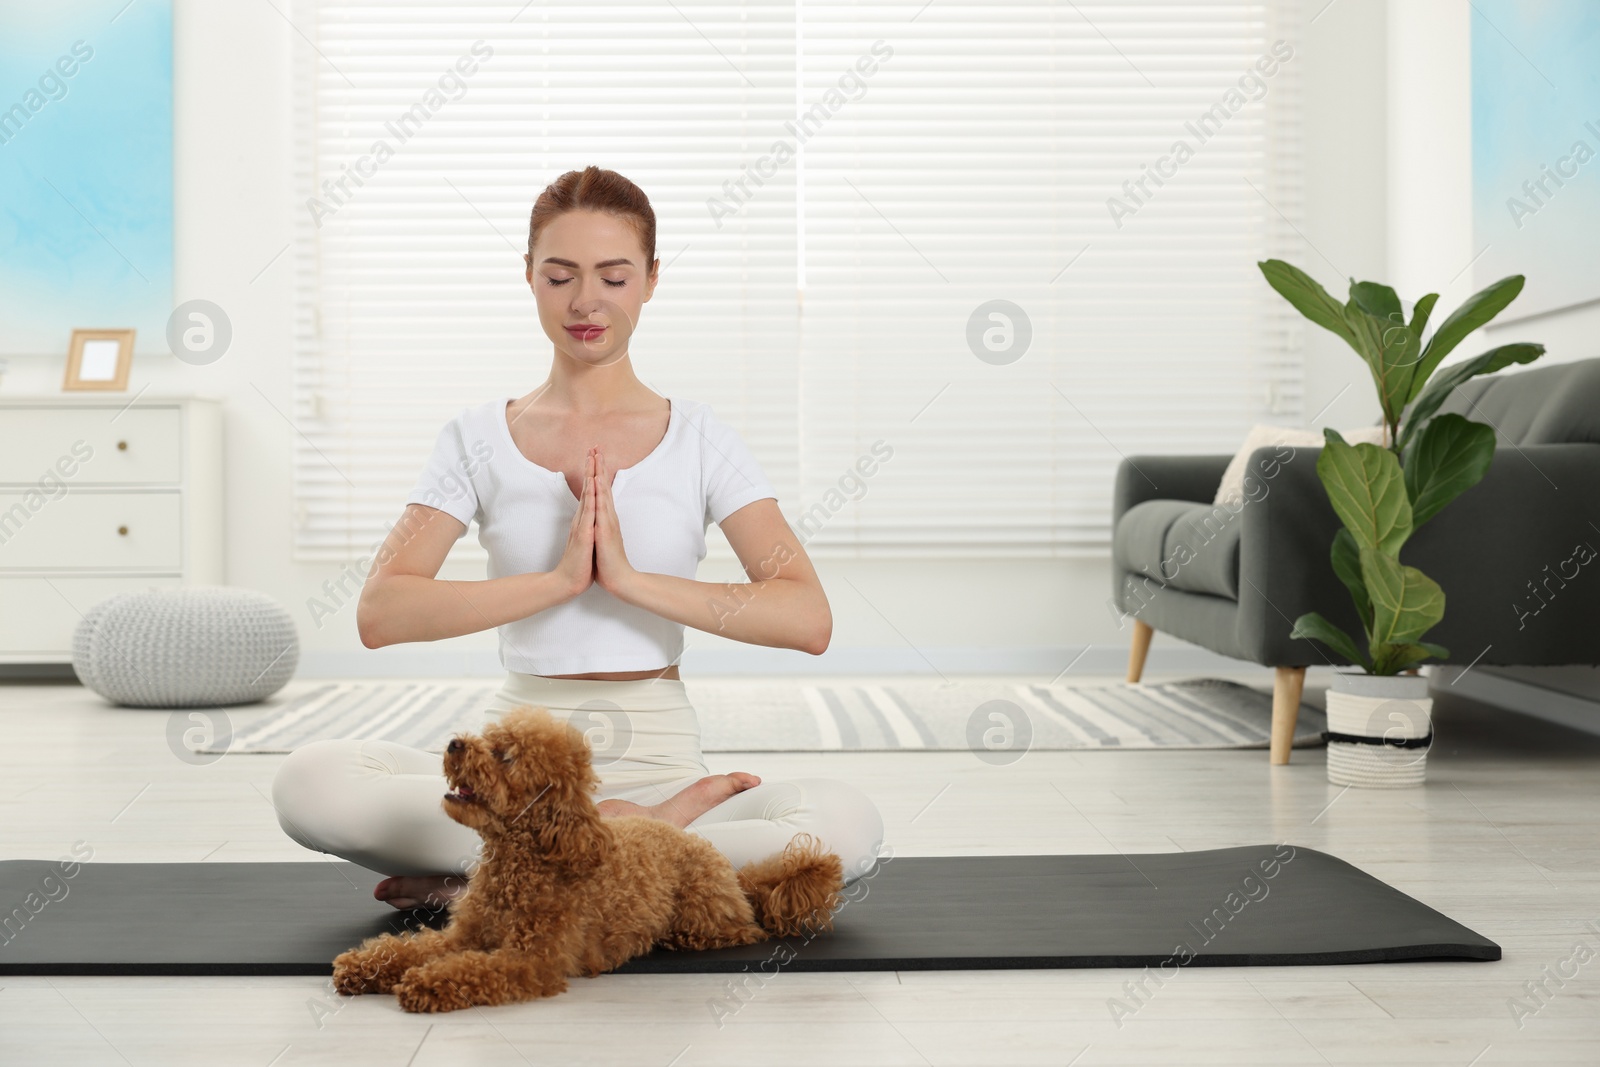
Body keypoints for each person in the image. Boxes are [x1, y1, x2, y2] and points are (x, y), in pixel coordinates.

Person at [271, 165, 885, 910]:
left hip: (663, 766)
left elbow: (806, 617)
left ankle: (514, 879)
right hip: (513, 778)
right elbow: (383, 611)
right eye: (560, 276)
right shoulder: (473, 437)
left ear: (651, 281)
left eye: (614, 277)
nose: (586, 300)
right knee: (310, 784)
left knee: (843, 829)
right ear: (528, 276)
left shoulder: (699, 438)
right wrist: (558, 581)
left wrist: (629, 580)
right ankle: (634, 858)